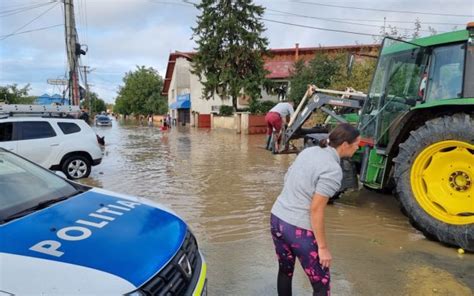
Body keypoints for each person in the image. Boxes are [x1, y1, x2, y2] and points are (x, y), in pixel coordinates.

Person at [270, 123, 361, 296]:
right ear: (345, 145)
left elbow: (288, 177)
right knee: (322, 285)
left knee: (285, 270)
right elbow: (316, 210)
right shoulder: (333, 170)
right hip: (297, 229)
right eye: (357, 144)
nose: (358, 147)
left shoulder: (309, 151)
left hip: (277, 218)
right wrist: (323, 248)